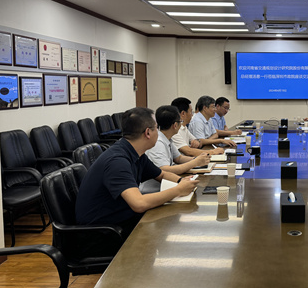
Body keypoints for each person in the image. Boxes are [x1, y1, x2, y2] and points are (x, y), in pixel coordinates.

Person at [76, 107, 198, 246]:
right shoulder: (117, 161)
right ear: (148, 132)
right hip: (101, 235)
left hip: (121, 221)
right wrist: (179, 190)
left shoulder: (135, 153)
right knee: (172, 238)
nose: (159, 132)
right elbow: (139, 204)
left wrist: (182, 181)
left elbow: (161, 174)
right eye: (156, 128)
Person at [140, 105, 211, 193]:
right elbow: (165, 170)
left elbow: (178, 158)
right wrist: (195, 162)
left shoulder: (167, 138)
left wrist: (198, 159)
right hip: (153, 191)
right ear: (175, 125)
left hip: (167, 186)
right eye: (180, 121)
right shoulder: (158, 143)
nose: (181, 124)